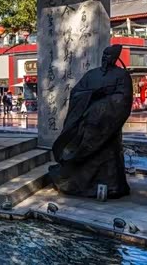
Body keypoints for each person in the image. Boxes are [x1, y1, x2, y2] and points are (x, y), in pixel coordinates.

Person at [49, 44, 133, 198]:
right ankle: (77, 183)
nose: (105, 58)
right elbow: (76, 93)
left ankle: (112, 187)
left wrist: (102, 106)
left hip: (106, 124)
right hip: (86, 123)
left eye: (109, 55)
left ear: (115, 58)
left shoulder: (122, 76)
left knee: (108, 157)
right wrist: (92, 94)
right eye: (104, 54)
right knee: (79, 150)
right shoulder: (92, 74)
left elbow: (124, 99)